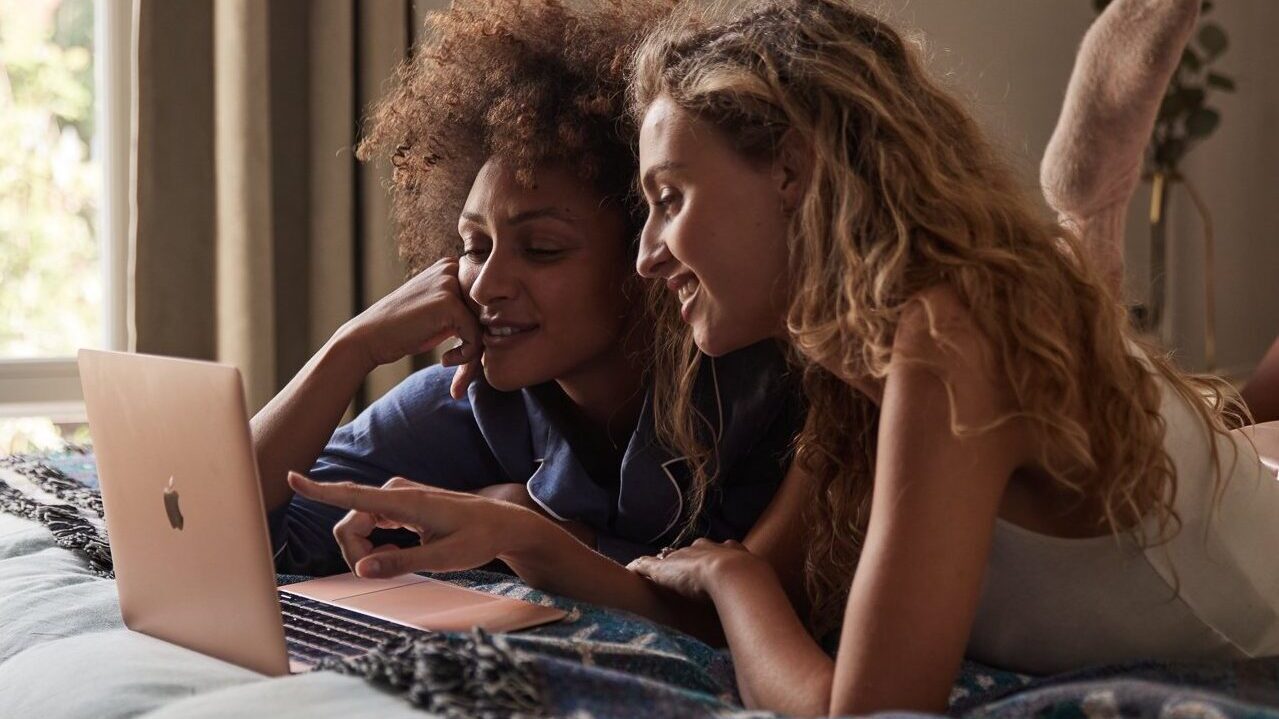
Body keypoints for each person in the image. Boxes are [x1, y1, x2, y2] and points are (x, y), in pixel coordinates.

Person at [619, 0, 1279, 715]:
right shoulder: (855, 361)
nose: (646, 257)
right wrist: (540, 546)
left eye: (669, 198)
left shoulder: (949, 339)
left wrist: (732, 578)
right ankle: (1085, 239)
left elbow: (867, 710)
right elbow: (740, 607)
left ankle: (1086, 235)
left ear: (790, 169)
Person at [260, 0, 806, 642]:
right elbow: (230, 527)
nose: (486, 284)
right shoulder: (473, 401)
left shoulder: (777, 392)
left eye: (542, 249)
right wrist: (352, 347)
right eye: (473, 246)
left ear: (647, 250)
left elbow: (747, 625)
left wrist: (539, 536)